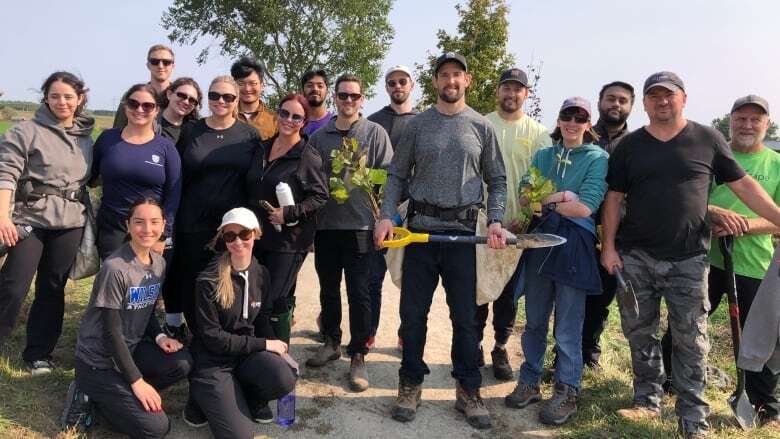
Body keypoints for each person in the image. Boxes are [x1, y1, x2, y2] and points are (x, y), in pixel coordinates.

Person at [601, 72, 780, 438]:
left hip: (688, 259)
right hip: (636, 257)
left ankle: (693, 415)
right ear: (646, 103)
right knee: (641, 332)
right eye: (654, 96)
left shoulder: (707, 139)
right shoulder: (630, 147)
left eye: (669, 95)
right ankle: (647, 402)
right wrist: (608, 247)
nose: (661, 101)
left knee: (692, 338)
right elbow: (614, 198)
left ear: (683, 99)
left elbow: (743, 183)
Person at [374, 52, 507, 430]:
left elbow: (497, 179)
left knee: (466, 320)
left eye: (457, 75)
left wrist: (495, 220)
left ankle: (468, 389)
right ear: (435, 81)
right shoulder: (418, 126)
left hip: (464, 236)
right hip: (419, 233)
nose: (451, 81)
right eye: (444, 75)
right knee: (412, 317)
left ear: (467, 80)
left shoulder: (481, 127)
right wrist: (387, 216)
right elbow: (397, 175)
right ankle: (410, 383)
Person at [660, 95, 780, 427]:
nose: (747, 125)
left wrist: (745, 226)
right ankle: (667, 381)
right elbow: (687, 200)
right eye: (741, 118)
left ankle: (764, 405)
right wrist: (713, 216)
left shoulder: (776, 164)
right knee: (683, 325)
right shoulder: (709, 156)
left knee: (762, 338)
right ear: (730, 120)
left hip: (755, 263)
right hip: (703, 259)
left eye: (756, 120)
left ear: (766, 124)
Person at [504, 97, 607, 426]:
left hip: (574, 245)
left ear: (589, 124)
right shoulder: (543, 155)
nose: (573, 122)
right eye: (567, 115)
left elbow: (586, 207)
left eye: (581, 117)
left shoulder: (597, 158)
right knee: (534, 319)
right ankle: (530, 380)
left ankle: (567, 389)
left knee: (567, 328)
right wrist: (560, 197)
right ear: (559, 119)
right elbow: (525, 198)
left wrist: (542, 203)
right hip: (538, 242)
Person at [64, 198, 192, 438]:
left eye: (154, 222)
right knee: (156, 428)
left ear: (163, 225)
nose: (147, 229)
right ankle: (88, 394)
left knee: (182, 364)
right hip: (98, 361)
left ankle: (116, 397)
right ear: (128, 225)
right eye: (139, 222)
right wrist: (136, 381)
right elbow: (111, 332)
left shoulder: (159, 264)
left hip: (130, 350)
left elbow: (146, 309)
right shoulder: (115, 268)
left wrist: (160, 336)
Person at [0, 71, 94, 374]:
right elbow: (6, 174)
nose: (62, 102)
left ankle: (38, 353)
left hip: (70, 221)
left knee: (52, 287)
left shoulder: (86, 137)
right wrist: (2, 215)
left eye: (68, 96)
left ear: (79, 99)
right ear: (46, 98)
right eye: (55, 96)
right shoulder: (26, 131)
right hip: (30, 217)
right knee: (14, 285)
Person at [305, 74, 393, 393]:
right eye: (343, 96)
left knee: (359, 293)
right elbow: (310, 179)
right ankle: (331, 342)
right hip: (327, 227)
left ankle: (358, 354)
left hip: (362, 227)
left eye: (354, 96)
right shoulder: (319, 138)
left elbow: (388, 181)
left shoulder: (375, 133)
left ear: (362, 99)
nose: (348, 101)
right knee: (328, 289)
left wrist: (384, 217)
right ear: (335, 99)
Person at [184, 208, 296, 439]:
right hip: (213, 361)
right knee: (240, 436)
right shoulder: (208, 280)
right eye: (229, 236)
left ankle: (250, 397)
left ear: (255, 234)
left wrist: (280, 349)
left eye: (244, 234)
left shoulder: (261, 273)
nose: (238, 241)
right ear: (222, 239)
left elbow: (263, 319)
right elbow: (213, 338)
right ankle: (199, 398)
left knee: (286, 376)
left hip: (244, 356)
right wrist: (264, 345)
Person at [164, 76, 261, 340]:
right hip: (192, 221)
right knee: (193, 280)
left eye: (228, 97)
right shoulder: (191, 130)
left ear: (237, 101)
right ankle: (195, 336)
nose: (221, 101)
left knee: (227, 282)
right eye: (215, 95)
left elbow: (254, 181)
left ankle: (224, 338)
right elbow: (177, 174)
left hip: (231, 227)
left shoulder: (249, 135)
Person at [477, 67, 551, 380]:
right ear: (498, 91)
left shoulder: (538, 133)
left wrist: (526, 216)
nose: (511, 94)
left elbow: (543, 180)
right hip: (481, 223)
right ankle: (473, 344)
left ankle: (500, 346)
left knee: (508, 293)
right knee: (478, 289)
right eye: (506, 88)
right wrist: (484, 215)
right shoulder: (481, 124)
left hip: (521, 227)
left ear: (526, 94)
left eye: (517, 89)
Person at [246, 93, 328, 343]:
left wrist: (289, 212)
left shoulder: (306, 156)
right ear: (277, 114)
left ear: (304, 122)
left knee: (270, 302)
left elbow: (320, 197)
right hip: (257, 238)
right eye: (284, 113)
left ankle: (278, 359)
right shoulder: (262, 148)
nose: (288, 120)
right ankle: (262, 355)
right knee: (256, 299)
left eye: (296, 117)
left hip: (288, 243)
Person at [579, 80, 635, 369]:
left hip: (618, 233)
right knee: (573, 294)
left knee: (603, 296)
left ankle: (589, 353)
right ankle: (563, 354)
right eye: (610, 98)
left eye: (622, 100)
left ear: (630, 106)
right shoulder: (582, 133)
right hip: (580, 226)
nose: (616, 104)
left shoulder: (638, 143)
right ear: (600, 101)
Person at [91, 84, 182, 260]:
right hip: (113, 228)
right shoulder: (107, 139)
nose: (140, 109)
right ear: (125, 107)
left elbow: (173, 194)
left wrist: (163, 234)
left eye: (147, 105)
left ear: (157, 111)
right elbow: (90, 176)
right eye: (133, 104)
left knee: (146, 285)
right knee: (114, 280)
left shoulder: (166, 148)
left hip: (151, 231)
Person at [365, 64, 418, 349]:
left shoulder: (424, 122)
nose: (397, 86)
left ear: (412, 85)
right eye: (391, 82)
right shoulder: (373, 123)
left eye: (402, 81)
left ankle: (405, 335)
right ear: (386, 88)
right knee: (373, 278)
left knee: (410, 281)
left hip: (413, 213)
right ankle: (369, 333)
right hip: (378, 212)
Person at [113, 44, 176, 128]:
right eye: (155, 62)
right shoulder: (133, 95)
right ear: (148, 65)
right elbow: (118, 129)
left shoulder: (183, 97)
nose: (160, 66)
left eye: (166, 62)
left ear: (173, 66)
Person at [231, 57, 277, 141]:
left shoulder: (275, 120)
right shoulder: (226, 116)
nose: (247, 89)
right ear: (234, 85)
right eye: (241, 83)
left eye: (253, 83)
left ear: (262, 85)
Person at [156, 77, 202, 144]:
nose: (186, 102)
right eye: (182, 95)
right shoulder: (149, 122)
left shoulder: (195, 131)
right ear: (169, 94)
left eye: (192, 100)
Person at [301, 69, 333, 136]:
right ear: (302, 91)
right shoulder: (294, 122)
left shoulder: (335, 124)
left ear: (327, 92)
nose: (315, 89)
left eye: (320, 86)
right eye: (309, 85)